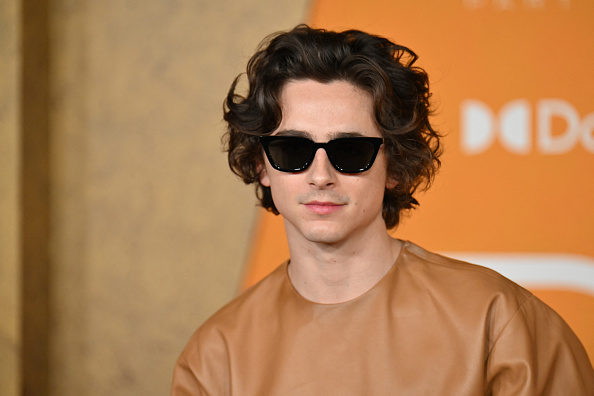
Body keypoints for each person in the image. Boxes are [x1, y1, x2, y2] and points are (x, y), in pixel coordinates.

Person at [171, 24, 594, 395]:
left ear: (394, 166)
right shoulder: (215, 357)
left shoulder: (498, 322)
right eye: (292, 149)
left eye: (350, 151)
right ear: (262, 165)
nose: (321, 175)